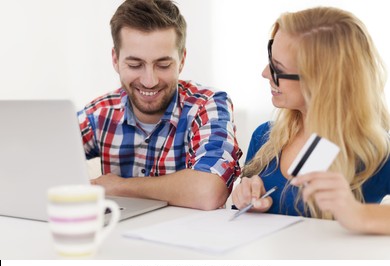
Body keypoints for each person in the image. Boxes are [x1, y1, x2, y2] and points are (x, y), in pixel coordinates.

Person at [232, 6, 390, 234]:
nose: (265, 73)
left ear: (321, 82)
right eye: (270, 60)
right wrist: (245, 197)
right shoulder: (265, 139)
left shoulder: (377, 152)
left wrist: (357, 214)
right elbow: (241, 216)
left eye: (278, 68)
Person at [78, 0, 242, 210]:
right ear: (115, 59)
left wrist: (120, 187)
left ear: (181, 60)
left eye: (163, 65)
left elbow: (209, 191)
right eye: (135, 65)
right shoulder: (99, 113)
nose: (149, 80)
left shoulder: (207, 105)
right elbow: (37, 155)